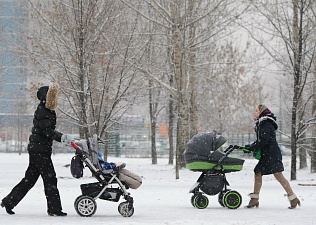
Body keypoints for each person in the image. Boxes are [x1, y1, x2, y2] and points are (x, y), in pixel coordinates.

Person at [1, 83, 74, 216]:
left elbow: (48, 131)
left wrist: (62, 137)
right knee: (50, 179)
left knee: (30, 179)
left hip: (38, 149)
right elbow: (47, 131)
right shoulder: (43, 111)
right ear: (47, 97)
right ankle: (54, 209)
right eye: (53, 96)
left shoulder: (47, 110)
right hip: (40, 151)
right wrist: (62, 137)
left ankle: (9, 201)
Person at [244, 104, 300, 209]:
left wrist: (253, 147)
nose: (254, 112)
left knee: (277, 174)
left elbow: (264, 140)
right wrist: (251, 146)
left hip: (271, 154)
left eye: (256, 111)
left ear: (261, 112)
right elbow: (261, 140)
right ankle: (255, 199)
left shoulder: (265, 123)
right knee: (259, 172)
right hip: (268, 153)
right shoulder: (262, 123)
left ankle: (293, 198)